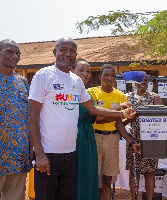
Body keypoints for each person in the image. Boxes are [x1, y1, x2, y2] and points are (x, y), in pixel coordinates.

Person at [28, 37, 135, 200]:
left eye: (72, 51)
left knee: (67, 196)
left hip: (71, 152)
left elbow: (92, 109)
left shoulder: (76, 81)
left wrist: (121, 114)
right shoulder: (44, 75)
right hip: (49, 152)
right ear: (55, 52)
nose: (68, 54)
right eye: (63, 49)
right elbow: (32, 115)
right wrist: (40, 154)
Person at [87, 64, 138, 200]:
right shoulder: (92, 92)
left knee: (107, 180)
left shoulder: (120, 95)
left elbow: (118, 123)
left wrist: (131, 141)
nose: (109, 78)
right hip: (95, 138)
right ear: (99, 76)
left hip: (112, 139)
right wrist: (120, 109)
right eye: (106, 75)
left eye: (112, 76)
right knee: (95, 180)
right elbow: (98, 118)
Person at [0, 39, 30, 200]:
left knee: (16, 196)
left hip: (18, 153)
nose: (15, 56)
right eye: (10, 52)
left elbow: (29, 115)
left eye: (17, 53)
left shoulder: (22, 82)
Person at [125, 71, 163, 200]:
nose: (144, 82)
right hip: (133, 138)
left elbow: (160, 119)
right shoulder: (127, 98)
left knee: (150, 171)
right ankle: (133, 198)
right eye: (141, 80)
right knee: (134, 171)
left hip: (151, 138)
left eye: (146, 80)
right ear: (135, 82)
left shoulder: (155, 97)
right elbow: (121, 120)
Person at [71, 58, 99, 200]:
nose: (85, 74)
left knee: (88, 174)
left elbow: (96, 116)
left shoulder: (86, 93)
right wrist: (120, 111)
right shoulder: (70, 90)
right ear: (72, 71)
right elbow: (95, 114)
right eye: (81, 70)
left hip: (88, 137)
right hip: (76, 138)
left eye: (88, 71)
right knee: (79, 175)